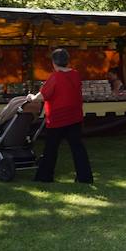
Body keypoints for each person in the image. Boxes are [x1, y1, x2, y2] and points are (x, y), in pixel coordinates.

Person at [28, 48, 93, 183]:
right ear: (67, 61)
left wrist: (32, 98)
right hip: (75, 116)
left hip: (58, 118)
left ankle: (44, 177)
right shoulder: (75, 74)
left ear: (54, 62)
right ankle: (85, 177)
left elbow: (43, 95)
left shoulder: (55, 77)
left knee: (51, 149)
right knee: (78, 148)